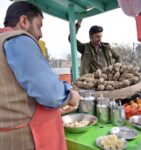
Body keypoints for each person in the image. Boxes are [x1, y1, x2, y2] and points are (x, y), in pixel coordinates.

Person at [0, 1, 80, 150]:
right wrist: (70, 95)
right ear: (24, 21)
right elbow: (51, 94)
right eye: (39, 26)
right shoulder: (18, 39)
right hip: (24, 139)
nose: (40, 34)